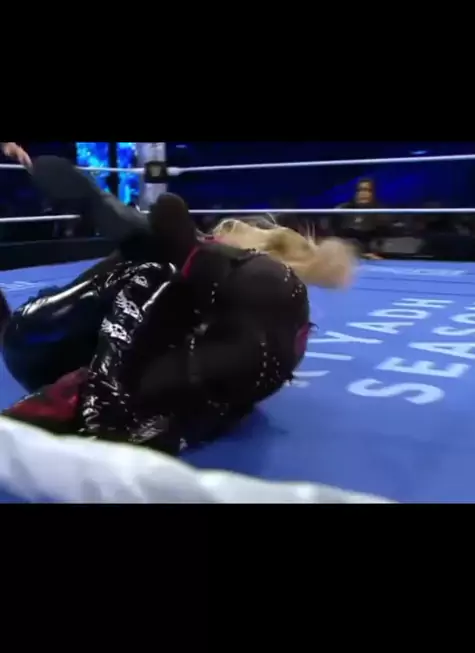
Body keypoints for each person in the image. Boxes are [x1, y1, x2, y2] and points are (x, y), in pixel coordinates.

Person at [0, 146, 354, 454]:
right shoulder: (186, 271)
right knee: (156, 269)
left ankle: (103, 404)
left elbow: (197, 375)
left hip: (60, 355)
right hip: (40, 339)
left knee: (161, 275)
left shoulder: (236, 300)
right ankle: (101, 402)